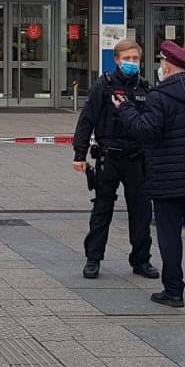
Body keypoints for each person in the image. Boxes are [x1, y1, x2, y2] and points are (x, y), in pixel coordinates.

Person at [112, 40, 185, 308]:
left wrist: (125, 108)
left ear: (167, 65)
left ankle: (173, 290)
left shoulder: (159, 97)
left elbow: (146, 132)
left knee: (170, 235)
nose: (161, 67)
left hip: (167, 180)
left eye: (162, 63)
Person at [71, 38, 158, 281]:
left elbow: (152, 125)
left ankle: (141, 260)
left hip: (137, 158)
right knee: (102, 210)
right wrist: (79, 153)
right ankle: (93, 259)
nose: (131, 63)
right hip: (109, 157)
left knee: (141, 212)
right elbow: (86, 120)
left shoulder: (145, 88)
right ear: (117, 60)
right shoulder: (104, 86)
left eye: (135, 59)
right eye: (127, 59)